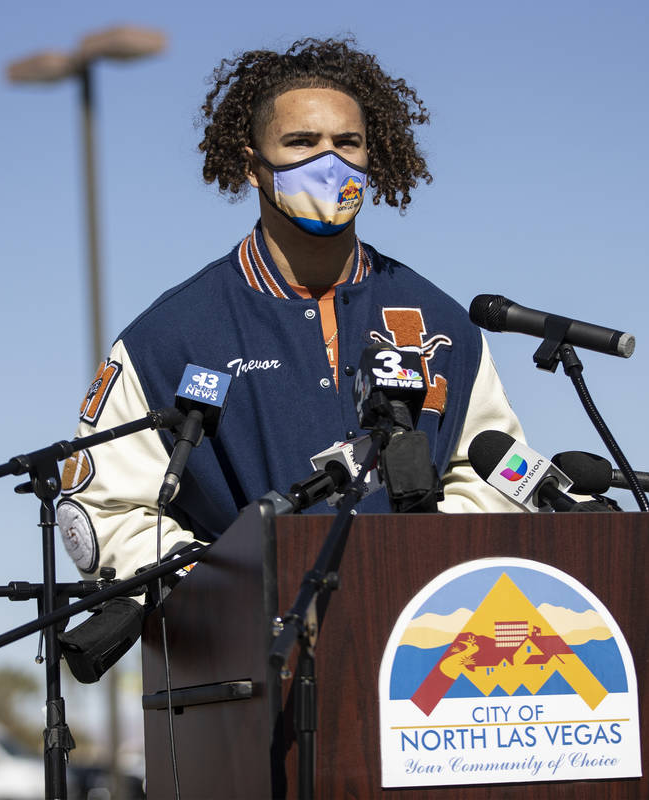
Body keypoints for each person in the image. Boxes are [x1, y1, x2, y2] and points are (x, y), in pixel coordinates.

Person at [55, 37, 527, 582]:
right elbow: (105, 515)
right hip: (253, 652)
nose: (329, 162)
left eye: (347, 143)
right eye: (302, 142)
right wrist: (234, 585)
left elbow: (496, 473)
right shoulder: (167, 339)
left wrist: (419, 567)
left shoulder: (441, 320)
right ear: (252, 165)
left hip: (418, 641)